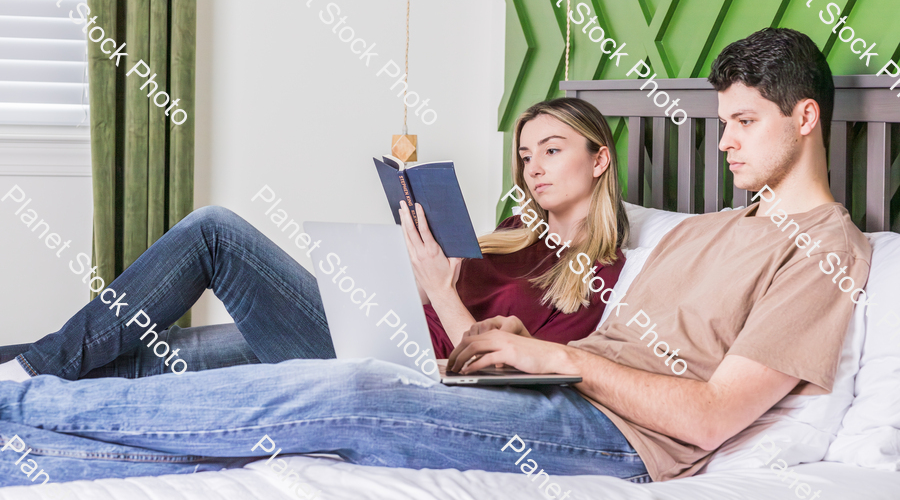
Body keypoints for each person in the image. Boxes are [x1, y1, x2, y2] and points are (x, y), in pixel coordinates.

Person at [0, 28, 871, 488]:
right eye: (720, 124)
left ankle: (25, 396)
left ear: (805, 119)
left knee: (345, 396)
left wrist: (548, 355)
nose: (724, 144)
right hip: (541, 391)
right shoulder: (710, 226)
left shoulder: (829, 250)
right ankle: (20, 439)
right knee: (249, 400)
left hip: (612, 438)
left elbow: (716, 417)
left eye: (744, 124)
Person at [0, 96, 627, 384]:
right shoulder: (513, 234)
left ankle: (30, 368)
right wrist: (412, 270)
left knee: (215, 233)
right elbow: (431, 300)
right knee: (166, 357)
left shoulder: (600, 273)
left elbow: (504, 372)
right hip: (369, 328)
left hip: (395, 364)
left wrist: (440, 290)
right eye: (525, 155)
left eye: (552, 150)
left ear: (599, 161)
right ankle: (21, 369)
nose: (534, 168)